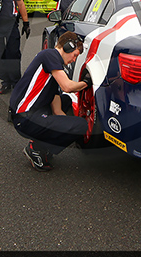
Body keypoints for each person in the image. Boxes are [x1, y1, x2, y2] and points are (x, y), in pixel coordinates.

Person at [10, 31, 91, 171]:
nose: (73, 60)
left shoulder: (52, 62)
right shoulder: (50, 55)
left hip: (29, 112)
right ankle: (36, 149)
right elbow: (67, 86)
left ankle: (43, 141)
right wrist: (86, 83)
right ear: (67, 47)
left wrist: (63, 125)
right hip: (25, 118)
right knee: (81, 125)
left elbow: (56, 100)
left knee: (65, 101)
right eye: (75, 55)